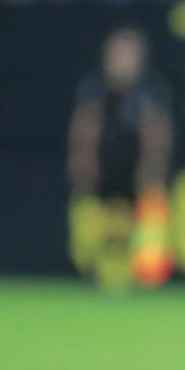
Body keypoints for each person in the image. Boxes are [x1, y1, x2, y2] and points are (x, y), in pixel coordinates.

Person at [67, 27, 174, 287]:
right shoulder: (94, 88)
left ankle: (144, 277)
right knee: (93, 224)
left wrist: (152, 167)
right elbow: (84, 128)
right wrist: (82, 162)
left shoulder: (150, 91)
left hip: (135, 174)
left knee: (148, 222)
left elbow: (157, 132)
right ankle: (94, 271)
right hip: (103, 173)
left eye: (128, 54)